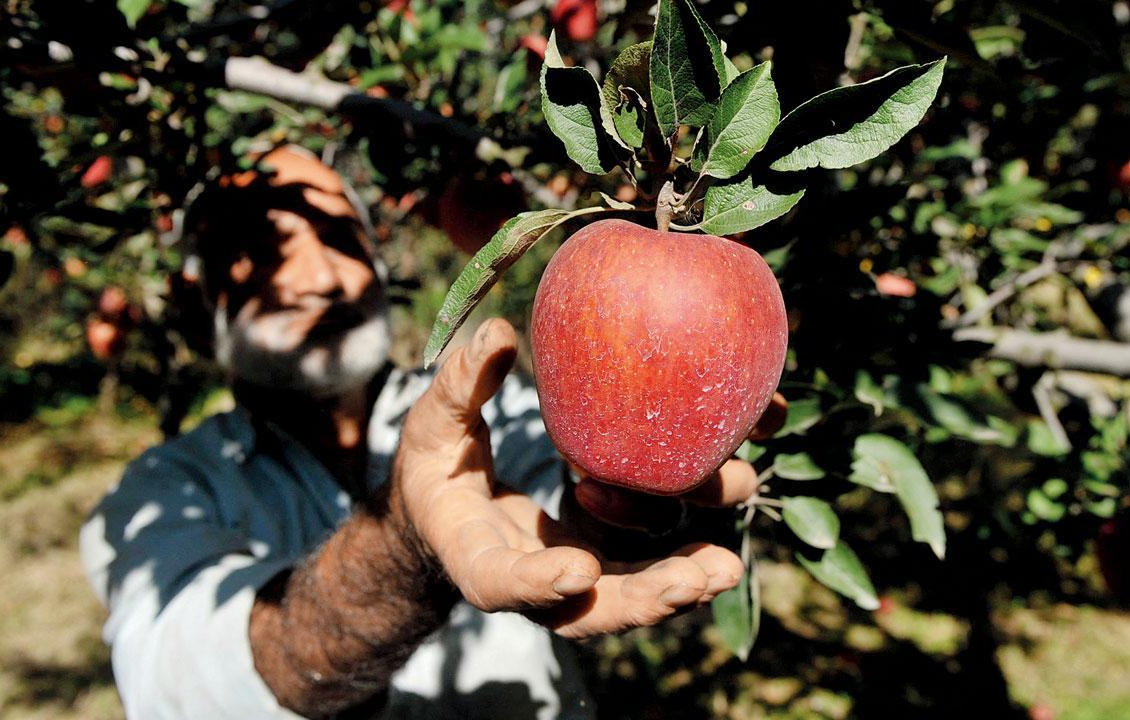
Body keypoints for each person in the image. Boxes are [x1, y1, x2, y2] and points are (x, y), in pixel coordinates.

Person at [80, 146, 781, 719]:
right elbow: (186, 683)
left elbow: (566, 494)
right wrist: (405, 540)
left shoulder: (488, 411)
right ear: (205, 305)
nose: (321, 276)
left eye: (339, 237)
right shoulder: (167, 490)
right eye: (265, 250)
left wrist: (624, 519)